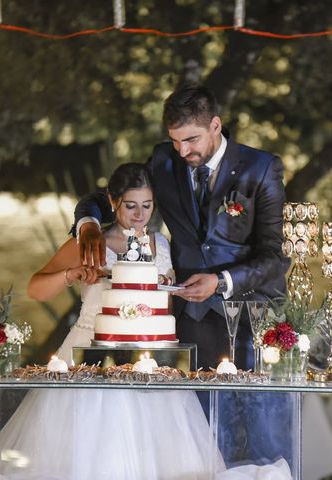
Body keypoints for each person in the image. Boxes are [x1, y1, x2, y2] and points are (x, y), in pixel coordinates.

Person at [0, 162, 292, 480]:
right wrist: (73, 273)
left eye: (147, 206)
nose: (139, 215)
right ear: (112, 201)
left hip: (152, 361)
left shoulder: (161, 245)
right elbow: (36, 288)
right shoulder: (91, 243)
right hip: (88, 356)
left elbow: (157, 303)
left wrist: (171, 287)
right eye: (131, 206)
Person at [73, 83, 292, 466]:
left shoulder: (261, 167)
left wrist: (221, 281)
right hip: (193, 324)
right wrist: (89, 223)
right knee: (203, 443)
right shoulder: (164, 162)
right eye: (174, 141)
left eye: (190, 140)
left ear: (215, 126)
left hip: (255, 323)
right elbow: (112, 192)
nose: (183, 151)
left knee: (265, 437)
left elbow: (274, 257)